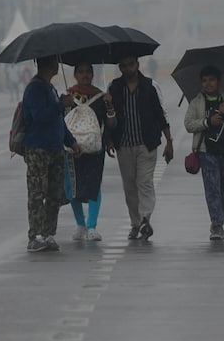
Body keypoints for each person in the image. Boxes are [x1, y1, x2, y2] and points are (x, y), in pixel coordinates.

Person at [105, 56, 173, 240]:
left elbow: (161, 114)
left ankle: (145, 219)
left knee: (144, 182)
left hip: (147, 143)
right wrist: (109, 139)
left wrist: (169, 141)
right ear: (120, 68)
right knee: (130, 186)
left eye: (131, 64)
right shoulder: (114, 88)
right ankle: (135, 224)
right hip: (124, 144)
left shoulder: (151, 86)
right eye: (124, 66)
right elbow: (109, 118)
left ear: (137, 64)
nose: (128, 69)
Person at [23, 56, 82, 252]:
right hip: (38, 149)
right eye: (55, 62)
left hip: (55, 148)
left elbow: (58, 121)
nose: (58, 65)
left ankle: (48, 234)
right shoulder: (34, 89)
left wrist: (71, 142)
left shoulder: (50, 88)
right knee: (37, 193)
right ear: (49, 65)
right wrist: (60, 104)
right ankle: (35, 236)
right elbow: (39, 116)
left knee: (55, 194)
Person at [183, 66, 224, 241]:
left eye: (211, 80)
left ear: (218, 81)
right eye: (204, 80)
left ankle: (218, 219)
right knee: (212, 189)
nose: (208, 83)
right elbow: (188, 124)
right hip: (206, 152)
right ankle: (217, 225)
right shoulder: (196, 102)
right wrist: (207, 122)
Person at [64, 63, 116, 242]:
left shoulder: (101, 97)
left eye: (88, 72)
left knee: (94, 185)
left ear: (93, 75)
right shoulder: (68, 95)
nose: (85, 75)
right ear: (75, 75)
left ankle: (92, 226)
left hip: (95, 149)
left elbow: (110, 125)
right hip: (72, 149)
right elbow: (61, 122)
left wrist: (109, 106)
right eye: (81, 72)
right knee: (72, 185)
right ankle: (80, 224)